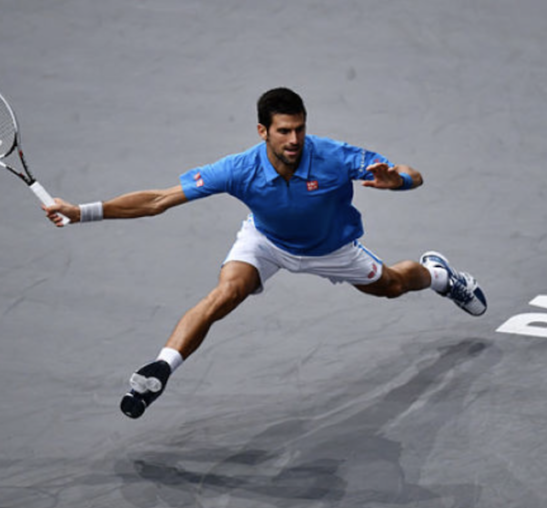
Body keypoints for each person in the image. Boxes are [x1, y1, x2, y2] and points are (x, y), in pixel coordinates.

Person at [43, 87, 487, 419]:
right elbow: (159, 200)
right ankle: (160, 370)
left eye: (300, 129)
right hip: (267, 241)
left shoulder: (333, 156)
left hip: (331, 247)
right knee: (226, 294)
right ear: (263, 131)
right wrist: (83, 212)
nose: (294, 139)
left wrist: (400, 181)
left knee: (391, 285)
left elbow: (413, 173)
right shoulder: (238, 169)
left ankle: (441, 276)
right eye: (283, 131)